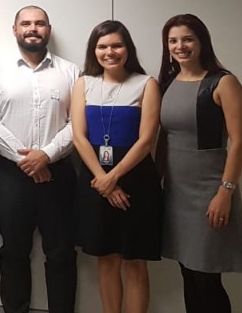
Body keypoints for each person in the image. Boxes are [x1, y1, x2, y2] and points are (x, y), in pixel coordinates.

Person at [0, 5, 80, 313]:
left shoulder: (71, 72)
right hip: (12, 176)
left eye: (39, 23)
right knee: (13, 251)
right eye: (26, 23)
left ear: (48, 29)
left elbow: (78, 123)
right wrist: (27, 161)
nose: (32, 29)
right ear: (15, 29)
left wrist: (46, 155)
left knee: (61, 252)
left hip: (58, 173)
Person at [157, 14, 242, 313]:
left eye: (188, 39)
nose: (180, 46)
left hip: (210, 192)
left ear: (201, 42)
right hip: (176, 193)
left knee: (207, 278)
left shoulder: (223, 82)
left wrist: (225, 192)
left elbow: (240, 142)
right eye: (173, 41)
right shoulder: (167, 83)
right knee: (188, 272)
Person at [71, 21, 162, 313]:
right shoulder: (84, 83)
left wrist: (114, 177)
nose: (109, 52)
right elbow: (79, 137)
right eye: (102, 46)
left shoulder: (146, 83)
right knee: (106, 258)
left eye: (116, 45)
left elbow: (147, 140)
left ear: (127, 49)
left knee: (135, 261)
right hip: (95, 179)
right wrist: (104, 180)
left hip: (136, 180)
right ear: (93, 51)